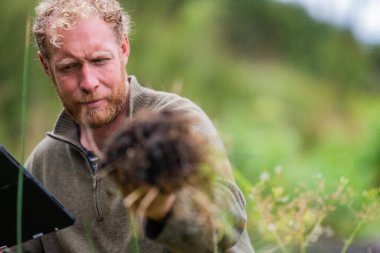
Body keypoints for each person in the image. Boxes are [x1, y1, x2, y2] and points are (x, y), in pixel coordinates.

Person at [11, 0, 255, 252]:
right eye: (69, 67)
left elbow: (226, 224)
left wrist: (166, 210)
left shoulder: (177, 123)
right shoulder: (44, 162)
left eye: (99, 60)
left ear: (124, 48)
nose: (88, 82)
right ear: (46, 67)